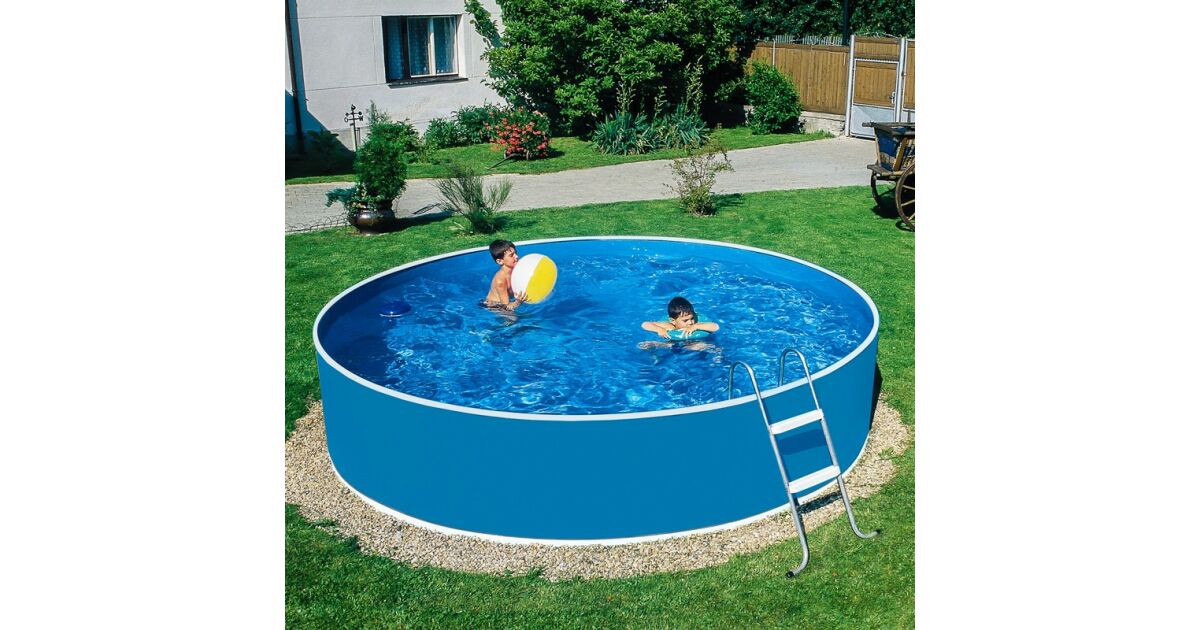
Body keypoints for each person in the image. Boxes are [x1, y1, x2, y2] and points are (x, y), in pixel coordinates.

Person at [641, 296, 720, 340]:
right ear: (673, 321)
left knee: (700, 346)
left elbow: (716, 327)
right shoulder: (669, 325)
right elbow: (645, 324)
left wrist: (696, 326)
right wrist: (659, 329)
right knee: (645, 345)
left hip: (693, 343)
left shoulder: (696, 324)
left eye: (692, 318)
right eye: (685, 320)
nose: (690, 322)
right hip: (672, 343)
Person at [484, 239, 527, 310]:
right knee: (512, 316)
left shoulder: (516, 269)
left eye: (515, 253)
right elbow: (506, 307)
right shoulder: (500, 281)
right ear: (500, 261)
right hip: (496, 306)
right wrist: (518, 302)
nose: (516, 256)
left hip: (506, 302)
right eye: (511, 255)